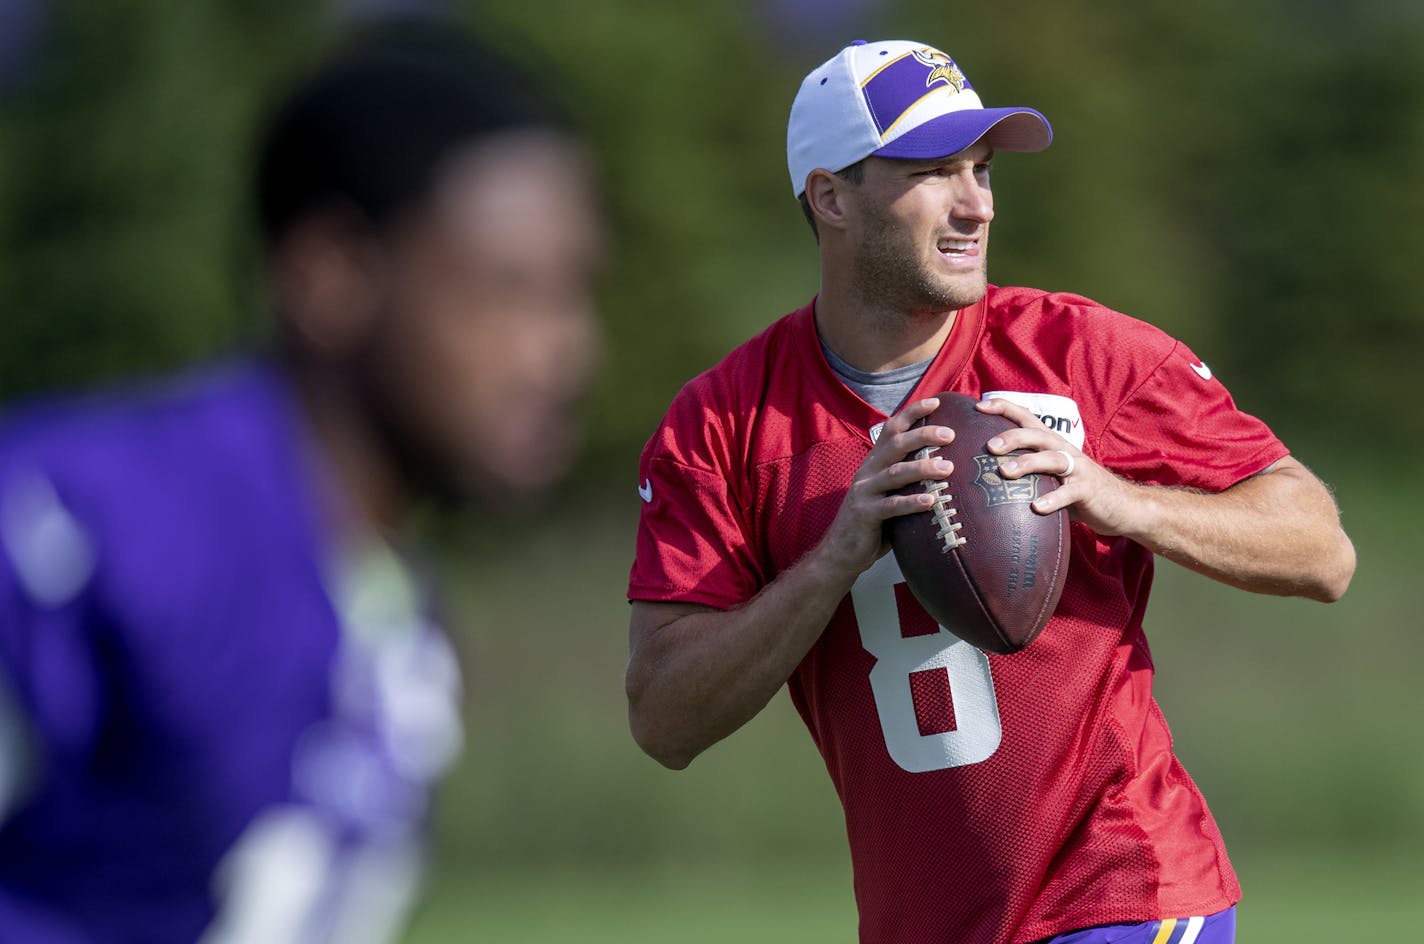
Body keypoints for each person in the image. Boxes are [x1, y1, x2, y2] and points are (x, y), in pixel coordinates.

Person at [625, 38, 1354, 944]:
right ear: (830, 197)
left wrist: (1117, 498)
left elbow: (1322, 550)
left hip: (1123, 891)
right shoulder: (725, 423)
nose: (979, 203)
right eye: (936, 172)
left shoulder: (1082, 355)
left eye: (982, 167)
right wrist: (837, 556)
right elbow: (663, 718)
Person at [0, 24, 601, 944]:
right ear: (329, 276)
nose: (563, 351)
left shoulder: (390, 599)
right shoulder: (94, 521)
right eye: (507, 292)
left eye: (572, 292)